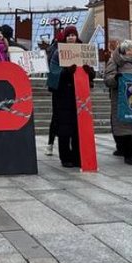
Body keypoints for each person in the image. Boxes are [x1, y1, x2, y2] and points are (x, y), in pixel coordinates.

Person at [51, 26, 95, 168]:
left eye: (73, 35)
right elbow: (53, 73)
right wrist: (66, 72)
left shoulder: (83, 50)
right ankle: (65, 157)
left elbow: (91, 73)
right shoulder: (58, 52)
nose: (71, 37)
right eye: (68, 35)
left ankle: (77, 156)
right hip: (63, 96)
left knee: (78, 128)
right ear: (65, 37)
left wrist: (89, 71)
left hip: (80, 94)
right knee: (64, 128)